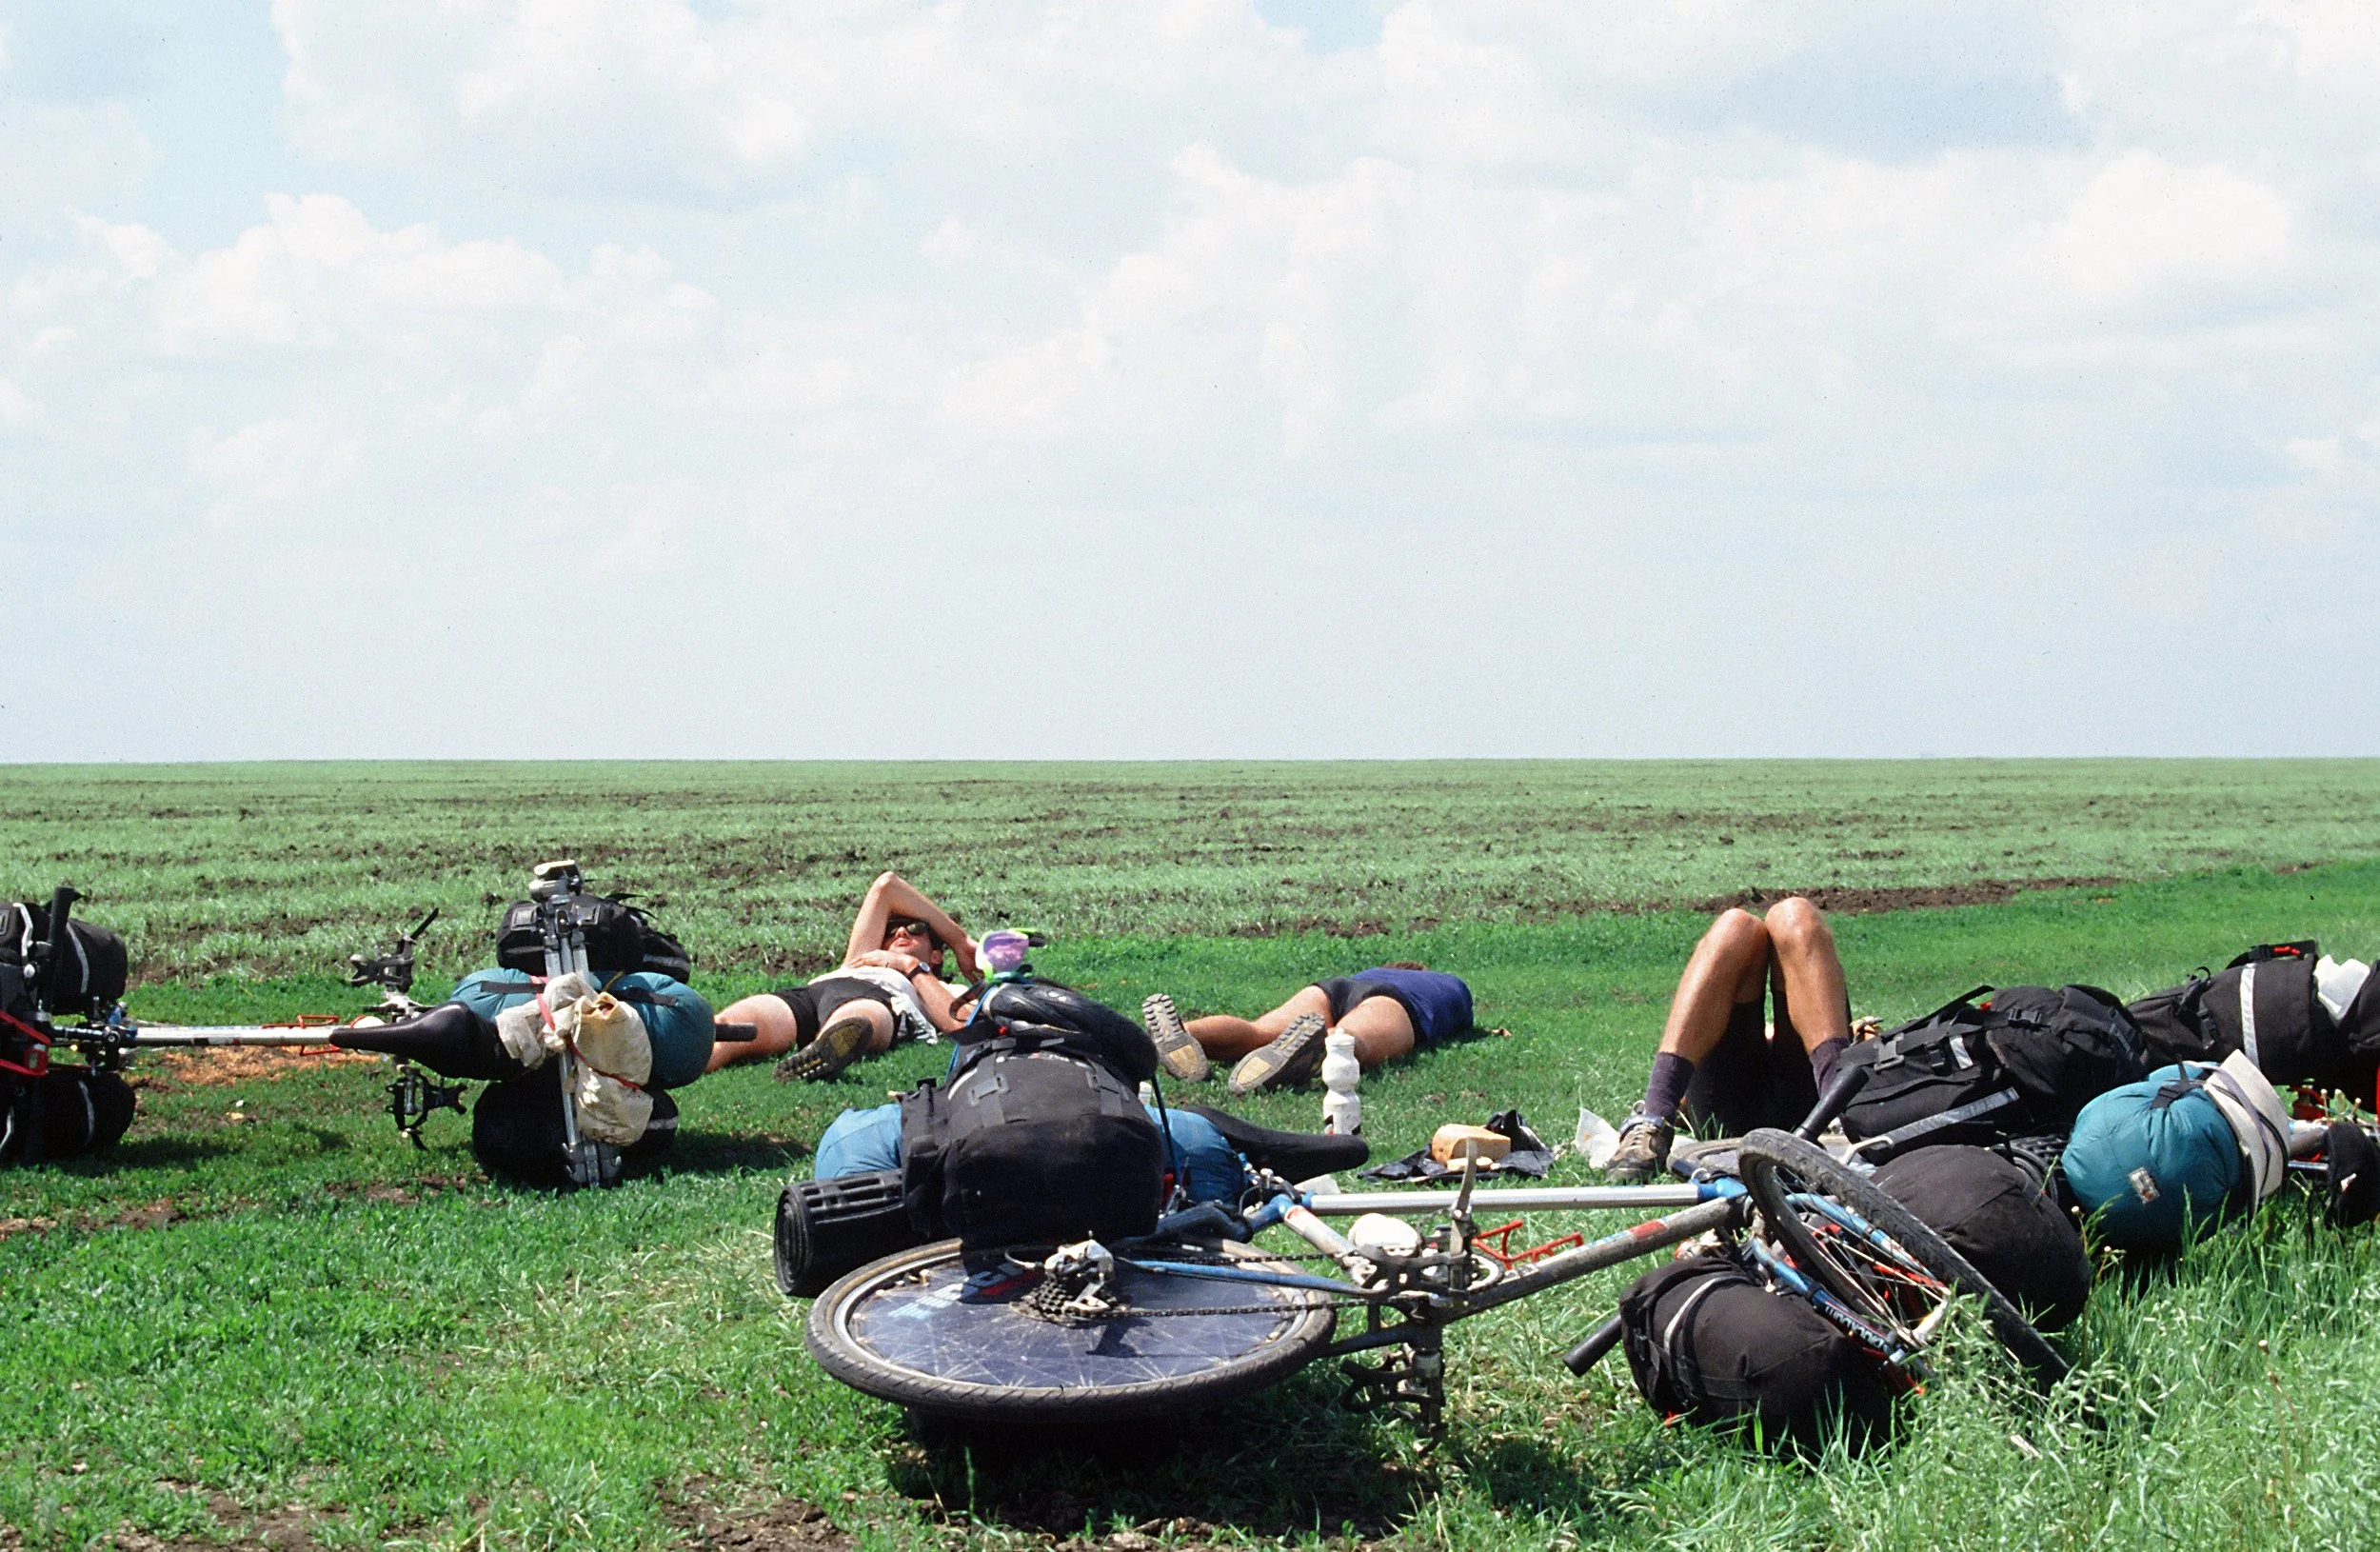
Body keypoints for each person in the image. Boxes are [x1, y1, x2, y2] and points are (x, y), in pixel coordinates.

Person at [1603, 897, 1854, 1184]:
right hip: (1729, 1111)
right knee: (1734, 927)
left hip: (1814, 1107)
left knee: (1796, 917)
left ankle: (1843, 1110)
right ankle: (1653, 1122)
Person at [707, 871, 982, 1082]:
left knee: (856, 1017)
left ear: (936, 955)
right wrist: (958, 938)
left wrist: (910, 966)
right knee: (729, 1026)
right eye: (892, 930)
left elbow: (962, 1023)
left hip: (880, 1000)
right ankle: (683, 1056)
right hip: (812, 994)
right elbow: (886, 885)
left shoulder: (940, 987)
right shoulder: (859, 957)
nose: (900, 933)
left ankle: (821, 1052)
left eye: (916, 929)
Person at [1140, 963, 1476, 1095]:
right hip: (1397, 1003)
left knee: (1259, 1030)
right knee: (1347, 1041)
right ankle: (1299, 1054)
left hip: (1332, 989)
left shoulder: (1373, 970)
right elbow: (1462, 1023)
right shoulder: (1449, 983)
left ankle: (1187, 1033)